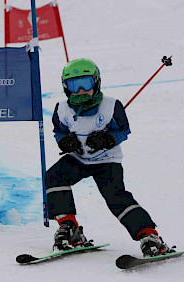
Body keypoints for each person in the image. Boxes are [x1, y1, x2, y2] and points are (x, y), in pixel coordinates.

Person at [44, 58, 173, 257]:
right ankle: (69, 229)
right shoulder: (62, 109)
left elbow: (124, 130)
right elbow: (59, 131)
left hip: (107, 161)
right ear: (65, 87)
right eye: (73, 85)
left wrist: (107, 139)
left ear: (96, 83)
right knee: (54, 176)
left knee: (115, 196)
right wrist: (65, 142)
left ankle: (149, 236)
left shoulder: (111, 106)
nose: (80, 90)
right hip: (78, 159)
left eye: (85, 84)